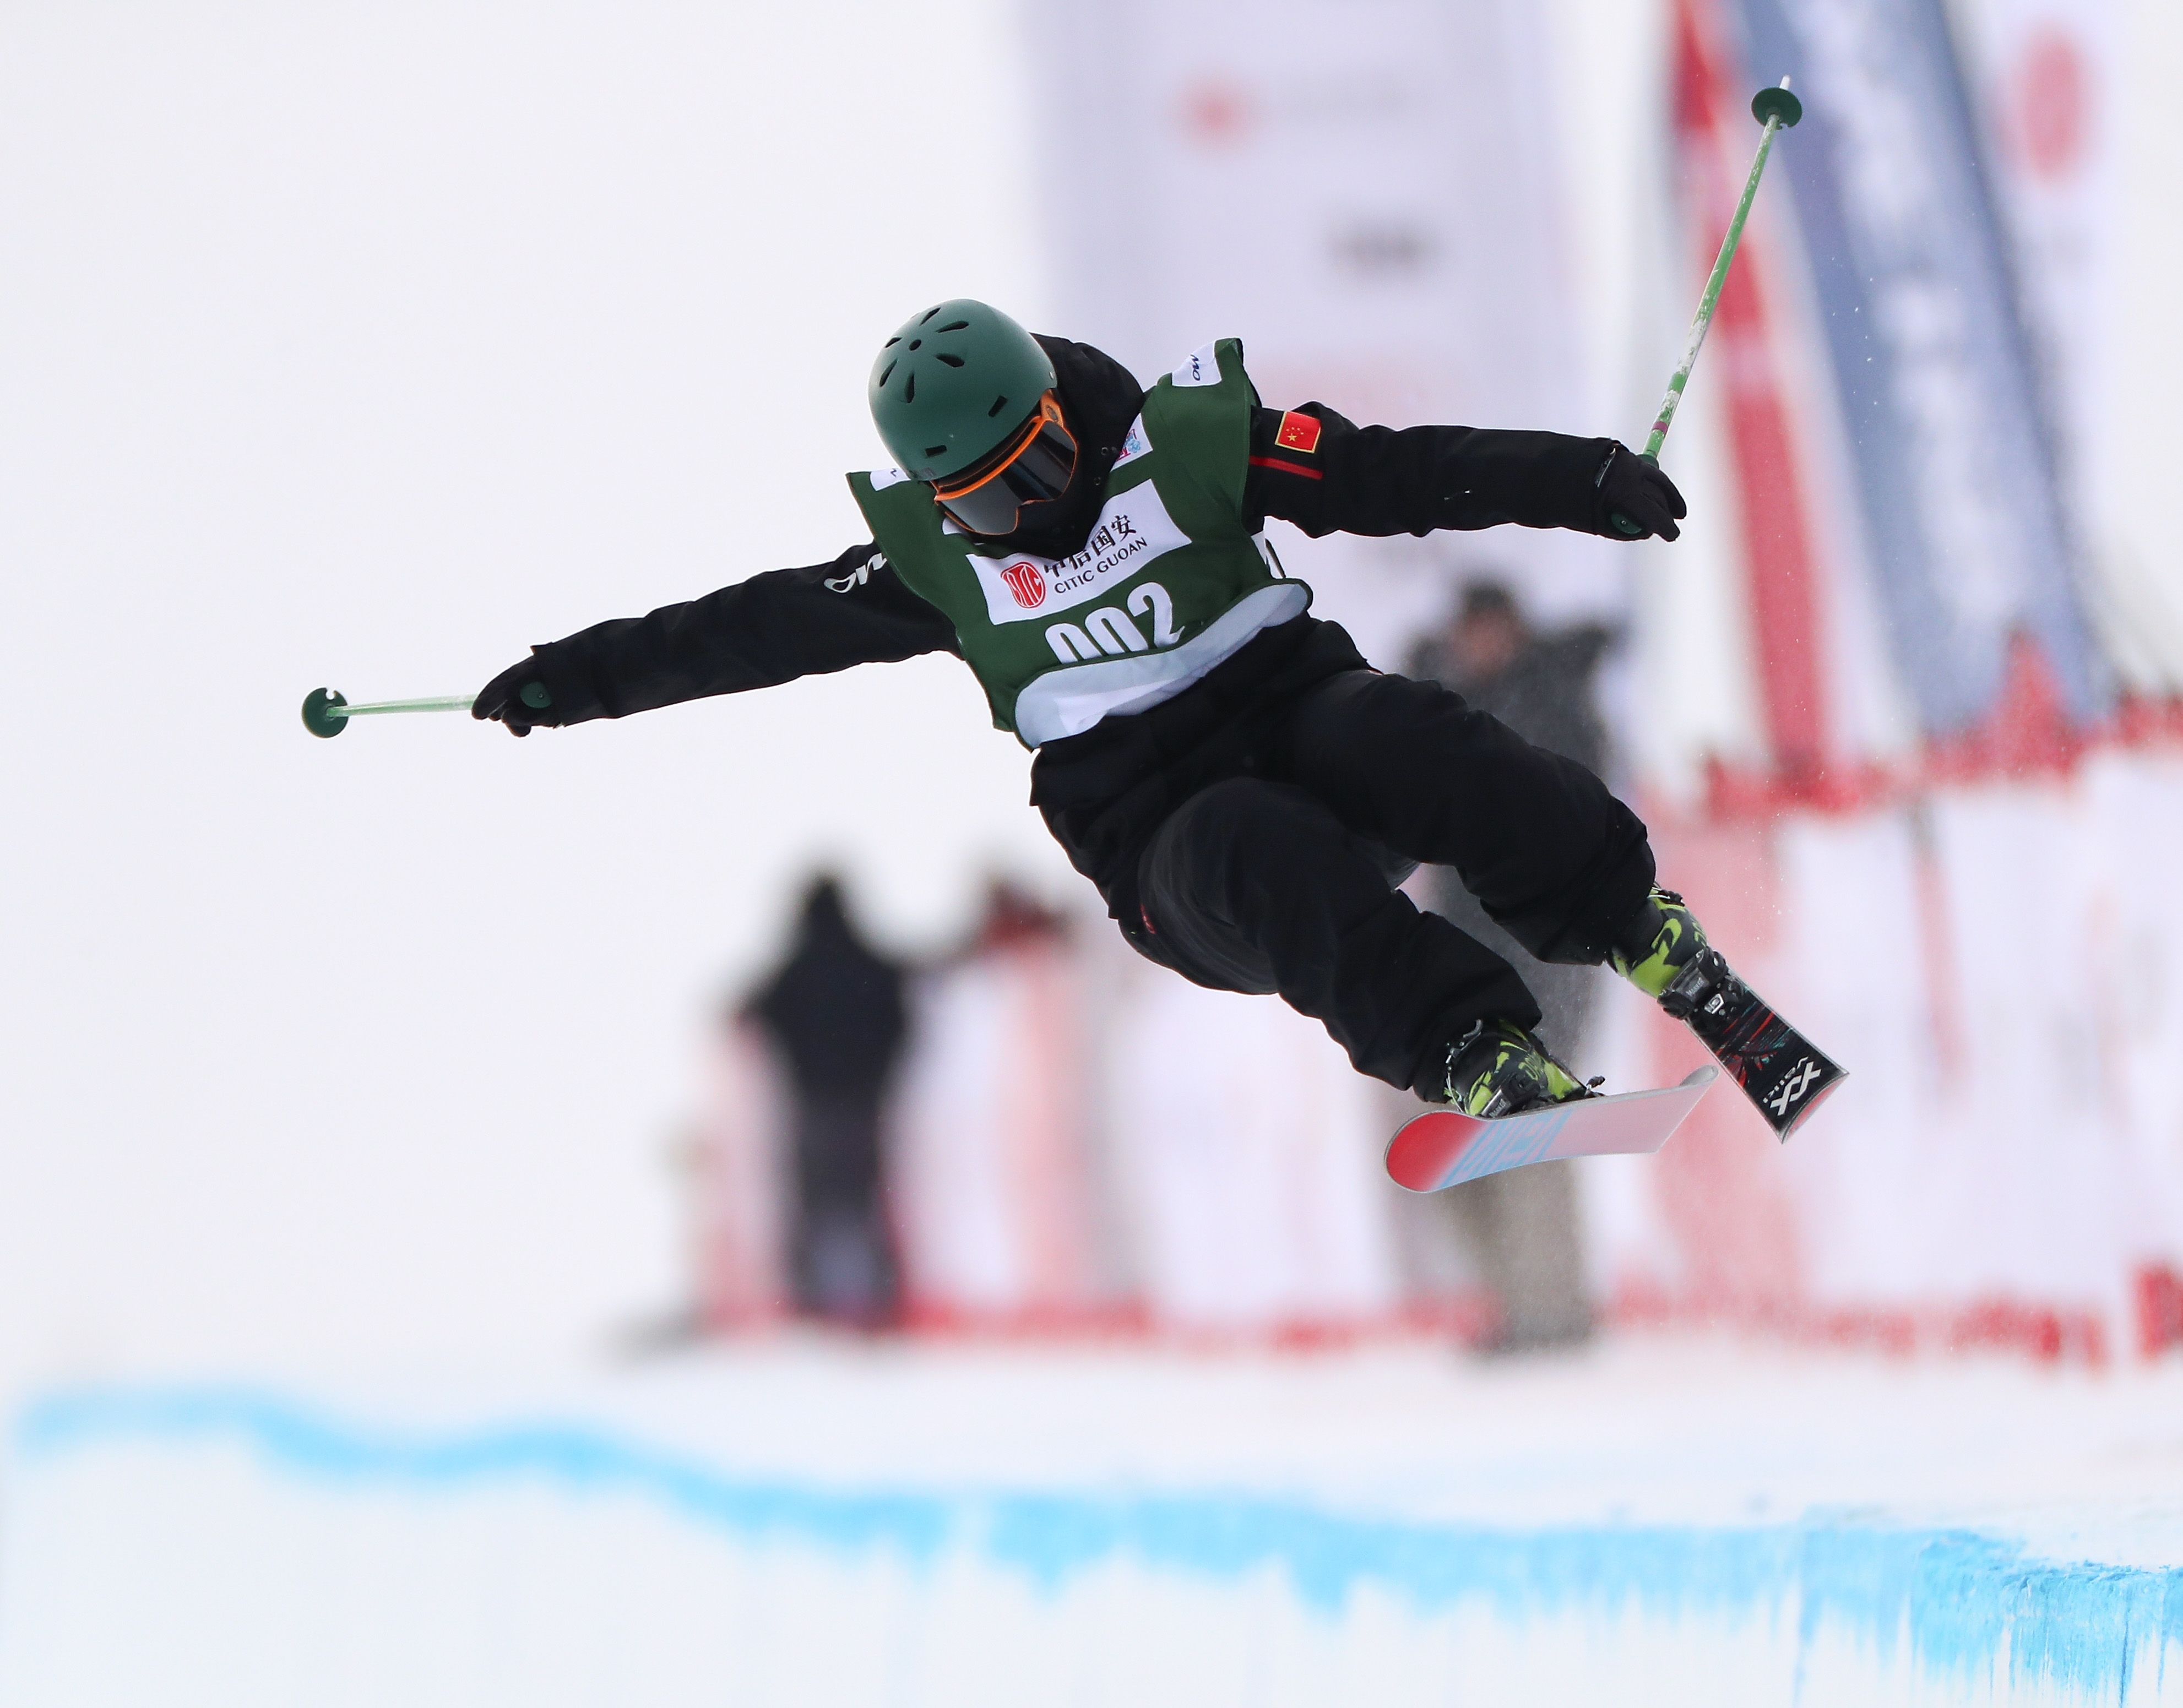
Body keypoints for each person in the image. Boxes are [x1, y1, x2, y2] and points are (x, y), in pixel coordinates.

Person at [474, 299, 1737, 1125]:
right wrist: (574, 678)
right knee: (1248, 831)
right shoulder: (933, 562)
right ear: (935, 498)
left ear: (1062, 418)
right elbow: (747, 630)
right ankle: (1465, 1049)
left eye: (1038, 465)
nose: (1022, 510)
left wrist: (1574, 478)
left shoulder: (1178, 444)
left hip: (1305, 729)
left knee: (1408, 731)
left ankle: (1631, 920)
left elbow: (1381, 472)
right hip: (1170, 852)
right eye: (981, 500)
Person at [1406, 579, 1621, 1350]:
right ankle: (1514, 1304)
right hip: (1460, 957)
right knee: (1453, 1141)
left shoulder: (1554, 706)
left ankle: (1554, 1312)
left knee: (1528, 1133)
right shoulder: (1442, 707)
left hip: (1543, 956)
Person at [742, 874, 908, 1326]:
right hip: (864, 1104)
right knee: (868, 1203)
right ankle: (881, 1301)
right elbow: (900, 1014)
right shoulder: (869, 963)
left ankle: (811, 1302)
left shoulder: (795, 970)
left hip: (813, 1103)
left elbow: (755, 1011)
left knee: (815, 1205)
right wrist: (878, 1072)